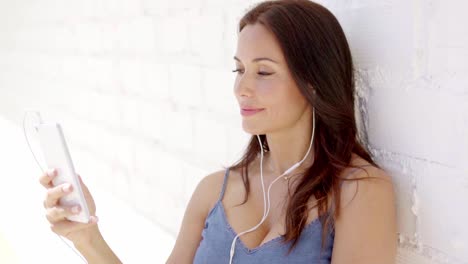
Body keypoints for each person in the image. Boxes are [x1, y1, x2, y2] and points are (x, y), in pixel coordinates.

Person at [39, 0, 397, 263]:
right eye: (239, 70)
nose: (242, 88)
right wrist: (88, 238)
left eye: (264, 72)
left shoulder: (359, 191)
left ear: (314, 83)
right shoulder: (214, 190)